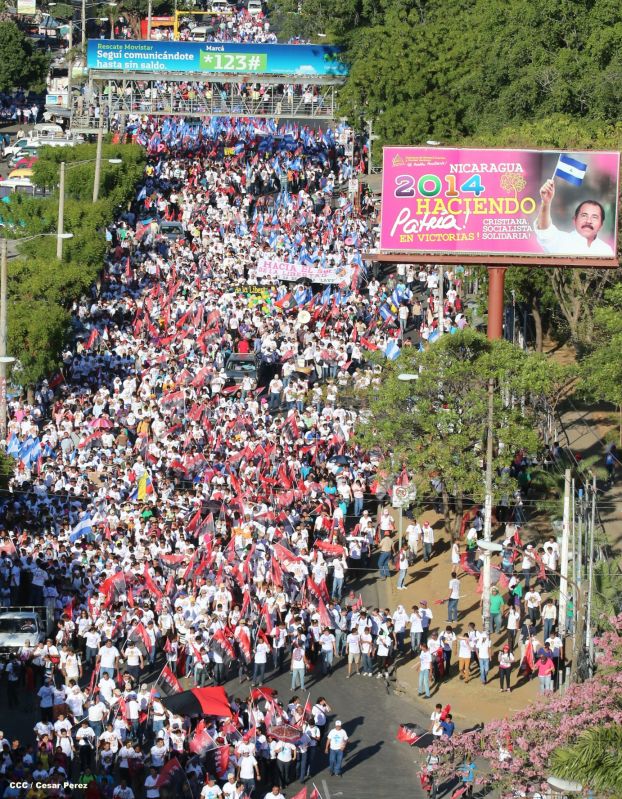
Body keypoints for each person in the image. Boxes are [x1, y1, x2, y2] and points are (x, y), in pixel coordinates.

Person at [535, 180, 614, 256]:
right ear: (574, 220)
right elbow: (544, 231)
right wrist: (546, 203)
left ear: (601, 225)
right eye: (584, 215)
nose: (588, 221)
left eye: (594, 217)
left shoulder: (606, 250)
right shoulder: (561, 240)